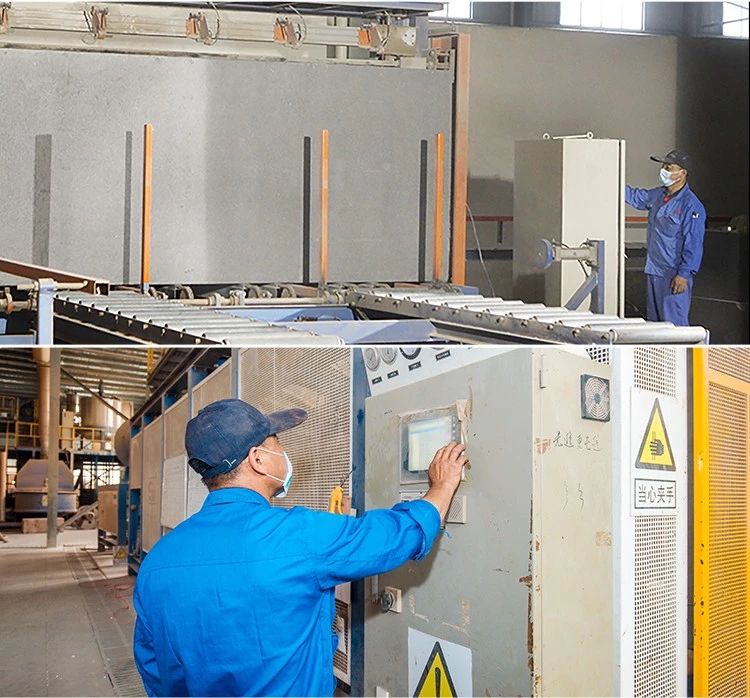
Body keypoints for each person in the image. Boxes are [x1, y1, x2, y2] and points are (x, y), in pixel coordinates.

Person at [132, 398, 467, 697]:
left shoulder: (159, 560)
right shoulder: (297, 535)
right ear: (258, 459)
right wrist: (442, 486)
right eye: (277, 442)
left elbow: (153, 667)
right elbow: (394, 536)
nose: (284, 452)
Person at [625, 149, 706, 326]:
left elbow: (693, 243)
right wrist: (611, 179)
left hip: (673, 274)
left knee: (674, 325)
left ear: (682, 173)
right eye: (663, 166)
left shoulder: (691, 205)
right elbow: (636, 197)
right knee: (655, 327)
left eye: (669, 167)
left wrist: (683, 274)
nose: (663, 171)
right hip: (654, 270)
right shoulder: (659, 196)